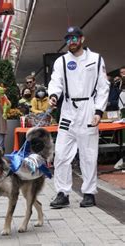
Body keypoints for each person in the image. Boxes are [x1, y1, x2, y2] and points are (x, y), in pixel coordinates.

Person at [48, 26, 109, 208]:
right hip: (68, 109)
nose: (71, 42)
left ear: (82, 39)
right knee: (61, 154)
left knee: (88, 154)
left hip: (88, 109)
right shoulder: (61, 61)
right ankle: (62, 192)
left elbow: (103, 87)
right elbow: (55, 81)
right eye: (68, 39)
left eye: (75, 38)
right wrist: (53, 95)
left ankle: (89, 192)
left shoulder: (96, 59)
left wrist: (98, 111)